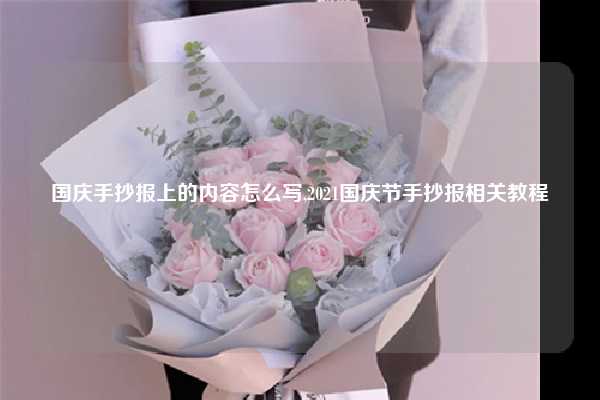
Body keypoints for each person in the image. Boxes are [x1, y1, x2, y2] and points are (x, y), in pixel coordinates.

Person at [128, 1, 487, 399]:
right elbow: (154, 34)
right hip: (235, 196)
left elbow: (459, 54)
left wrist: (413, 184)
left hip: (360, 198)